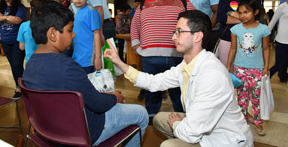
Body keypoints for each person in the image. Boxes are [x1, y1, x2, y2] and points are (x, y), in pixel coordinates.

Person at [105, 10, 254, 146]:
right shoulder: (187, 64)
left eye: (179, 32)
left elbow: (190, 132)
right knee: (159, 119)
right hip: (202, 129)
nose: (173, 37)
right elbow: (154, 82)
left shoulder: (212, 75)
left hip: (225, 140)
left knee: (168, 145)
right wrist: (119, 63)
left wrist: (177, 124)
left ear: (198, 36)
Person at [22, 1, 148, 147]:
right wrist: (115, 97)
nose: (74, 35)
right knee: (141, 114)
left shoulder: (30, 65)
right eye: (70, 30)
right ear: (52, 34)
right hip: (84, 131)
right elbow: (99, 105)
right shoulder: (67, 67)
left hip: (49, 131)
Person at [131, 0, 195, 123]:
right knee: (151, 91)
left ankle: (184, 120)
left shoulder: (183, 2)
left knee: (178, 91)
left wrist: (190, 48)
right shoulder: (145, 3)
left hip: (176, 57)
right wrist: (135, 45)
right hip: (149, 57)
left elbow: (195, 22)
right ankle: (151, 121)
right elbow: (135, 25)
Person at [227, 0, 270, 136]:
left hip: (257, 68)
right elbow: (233, 48)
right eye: (240, 13)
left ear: (256, 12)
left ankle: (258, 121)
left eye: (246, 12)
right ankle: (243, 120)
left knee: (256, 97)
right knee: (241, 96)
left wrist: (266, 66)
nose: (243, 15)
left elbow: (265, 49)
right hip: (240, 68)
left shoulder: (263, 29)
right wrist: (228, 65)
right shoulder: (235, 29)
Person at [217, 0, 261, 67]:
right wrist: (245, 18)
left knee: (244, 70)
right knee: (227, 71)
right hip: (227, 39)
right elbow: (221, 18)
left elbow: (256, 17)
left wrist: (232, 13)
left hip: (247, 40)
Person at [0, 0, 27, 99]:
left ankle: (19, 88)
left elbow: (17, 20)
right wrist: (6, 18)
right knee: (13, 65)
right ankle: (23, 85)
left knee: (17, 65)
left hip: (17, 41)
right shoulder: (0, 7)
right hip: (5, 41)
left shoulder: (20, 8)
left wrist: (0, 17)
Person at [70, 0, 102, 74]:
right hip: (76, 56)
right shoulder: (73, 12)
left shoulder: (91, 11)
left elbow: (97, 34)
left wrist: (97, 57)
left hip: (89, 58)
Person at [17, 0, 49, 65]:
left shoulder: (24, 26)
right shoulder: (51, 25)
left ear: (31, 10)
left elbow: (21, 47)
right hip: (48, 63)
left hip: (30, 64)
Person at [268, 0, 288, 83]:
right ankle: (264, 81)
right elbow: (272, 23)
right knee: (278, 65)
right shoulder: (282, 7)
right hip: (282, 41)